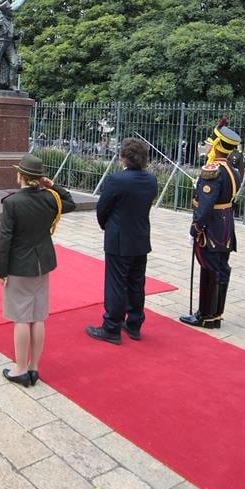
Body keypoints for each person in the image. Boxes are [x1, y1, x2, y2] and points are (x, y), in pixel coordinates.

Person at [0, 154, 77, 386]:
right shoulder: (50, 199)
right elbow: (69, 202)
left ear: (20, 175)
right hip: (42, 264)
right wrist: (53, 186)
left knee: (21, 317)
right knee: (38, 317)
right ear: (39, 178)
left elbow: (5, 240)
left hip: (19, 265)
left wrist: (0, 271)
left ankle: (20, 369)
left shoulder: (12, 203)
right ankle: (33, 367)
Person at [87, 138, 158, 344]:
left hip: (119, 239)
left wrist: (106, 226)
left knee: (117, 284)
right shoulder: (151, 180)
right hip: (140, 238)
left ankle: (112, 327)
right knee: (136, 283)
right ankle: (134, 324)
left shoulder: (116, 180)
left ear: (124, 158)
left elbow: (103, 209)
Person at [181, 121, 244, 329]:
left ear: (217, 145)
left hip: (212, 226)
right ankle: (215, 315)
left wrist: (195, 228)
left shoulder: (213, 170)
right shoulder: (232, 170)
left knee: (209, 267)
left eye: (211, 142)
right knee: (221, 268)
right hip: (226, 226)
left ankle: (205, 315)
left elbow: (206, 206)